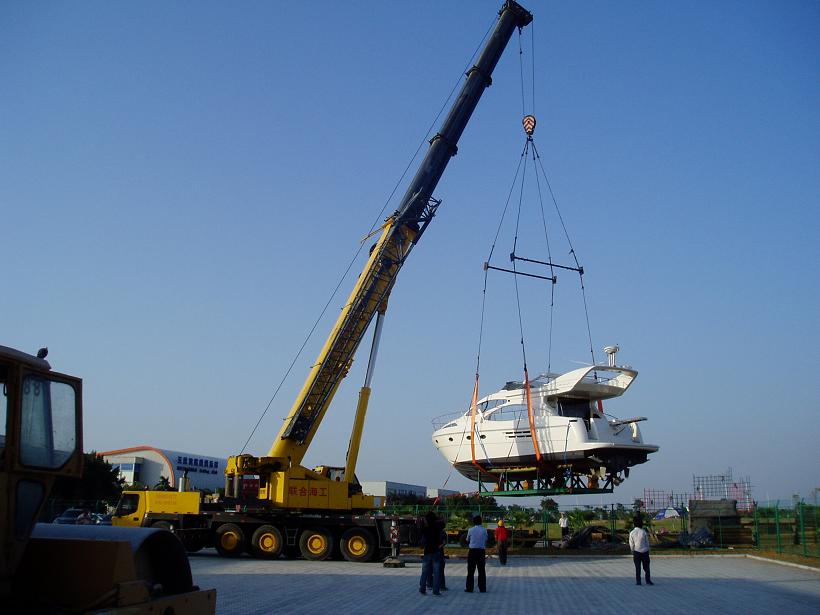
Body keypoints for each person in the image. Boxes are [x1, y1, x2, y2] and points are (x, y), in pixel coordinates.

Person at [419, 511, 444, 596]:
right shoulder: (438, 527)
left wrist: (425, 519)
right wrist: (437, 519)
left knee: (424, 572)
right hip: (436, 551)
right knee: (436, 572)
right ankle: (436, 591)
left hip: (427, 552)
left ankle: (422, 588)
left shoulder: (425, 529)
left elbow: (421, 527)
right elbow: (443, 521)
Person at [465, 515, 488, 593]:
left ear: (473, 522)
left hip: (472, 551)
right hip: (481, 551)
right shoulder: (484, 530)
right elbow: (486, 539)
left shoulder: (470, 530)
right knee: (481, 570)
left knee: (470, 570)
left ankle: (469, 588)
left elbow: (467, 539)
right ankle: (482, 588)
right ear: (481, 522)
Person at [629, 515, 653, 586]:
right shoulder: (643, 532)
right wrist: (648, 549)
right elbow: (647, 542)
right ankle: (648, 580)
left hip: (636, 552)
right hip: (645, 551)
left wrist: (632, 550)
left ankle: (638, 581)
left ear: (634, 524)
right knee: (646, 567)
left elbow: (631, 543)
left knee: (637, 567)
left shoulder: (632, 533)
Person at [426, 526, 448, 591]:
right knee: (440, 569)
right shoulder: (442, 532)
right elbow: (444, 543)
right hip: (439, 553)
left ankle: (430, 584)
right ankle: (441, 586)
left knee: (430, 569)